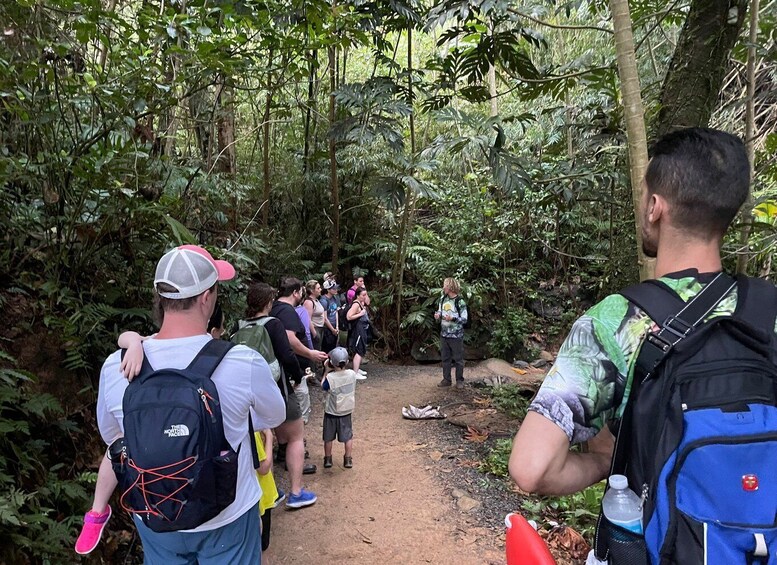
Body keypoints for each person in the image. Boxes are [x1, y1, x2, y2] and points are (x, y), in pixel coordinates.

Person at [509, 128, 758, 496]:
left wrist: (606, 460)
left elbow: (532, 468)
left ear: (656, 207)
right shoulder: (765, 310)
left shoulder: (617, 321)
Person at [96, 244, 285, 563]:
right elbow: (272, 416)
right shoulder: (242, 362)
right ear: (206, 298)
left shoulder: (117, 366)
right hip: (228, 516)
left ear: (161, 299)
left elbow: (113, 437)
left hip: (155, 516)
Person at [241, 282, 318, 503]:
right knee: (295, 437)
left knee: (265, 438)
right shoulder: (273, 324)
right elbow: (286, 355)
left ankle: (271, 493)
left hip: (250, 396)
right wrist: (298, 376)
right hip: (278, 390)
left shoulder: (241, 325)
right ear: (267, 302)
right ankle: (296, 493)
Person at [321, 347, 357, 469]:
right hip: (346, 411)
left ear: (331, 363)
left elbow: (323, 386)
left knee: (328, 437)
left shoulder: (330, 378)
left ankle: (328, 459)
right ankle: (348, 459)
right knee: (348, 436)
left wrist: (326, 371)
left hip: (331, 412)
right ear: (347, 362)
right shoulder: (352, 374)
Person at [434, 278, 468, 389]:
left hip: (456, 335)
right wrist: (438, 315)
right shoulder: (443, 299)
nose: (443, 288)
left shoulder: (460, 301)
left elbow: (464, 319)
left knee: (458, 359)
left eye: (445, 286)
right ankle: (446, 379)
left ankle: (459, 380)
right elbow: (440, 311)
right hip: (444, 334)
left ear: (450, 287)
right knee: (445, 358)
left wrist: (452, 318)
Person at [346, 287, 370, 379]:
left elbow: (368, 302)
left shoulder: (361, 302)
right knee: (359, 349)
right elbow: (349, 316)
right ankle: (355, 373)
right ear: (358, 295)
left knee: (362, 348)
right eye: (363, 295)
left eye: (365, 294)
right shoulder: (356, 304)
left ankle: (357, 368)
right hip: (358, 329)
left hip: (363, 328)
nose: (365, 297)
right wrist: (360, 314)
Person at [303, 279, 326, 353]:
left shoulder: (316, 300)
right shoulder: (309, 302)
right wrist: (314, 333)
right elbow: (307, 319)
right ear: (312, 291)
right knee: (315, 351)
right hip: (315, 329)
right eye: (318, 288)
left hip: (320, 328)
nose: (320, 290)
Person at [319, 279, 341, 353]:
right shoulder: (324, 301)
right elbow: (324, 318)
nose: (336, 290)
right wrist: (332, 330)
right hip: (327, 328)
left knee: (334, 347)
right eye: (333, 288)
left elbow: (336, 312)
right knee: (327, 348)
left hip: (335, 326)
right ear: (328, 290)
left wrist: (337, 326)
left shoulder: (334, 298)